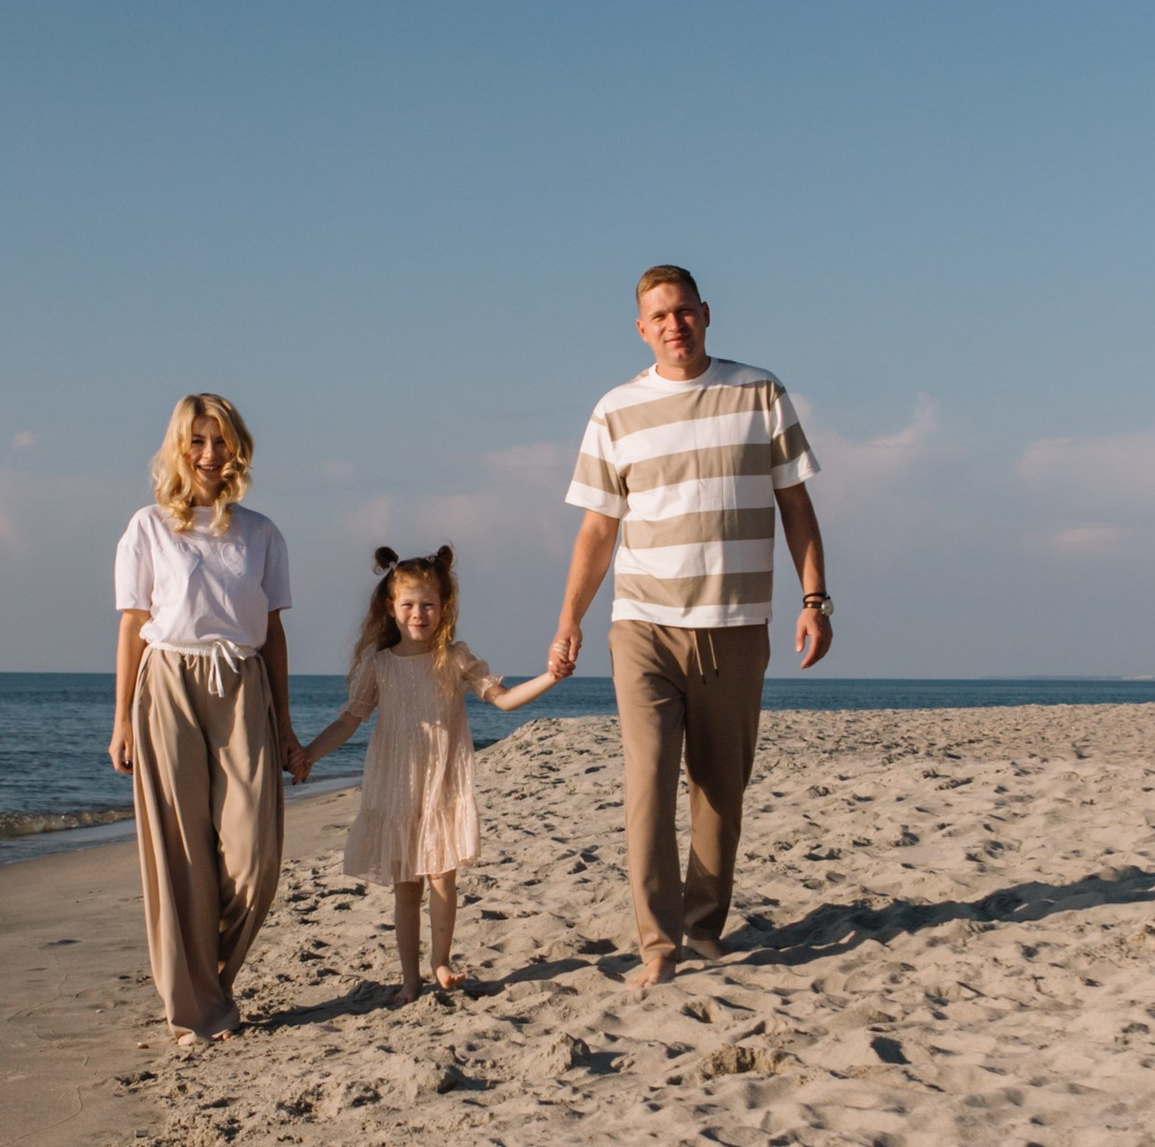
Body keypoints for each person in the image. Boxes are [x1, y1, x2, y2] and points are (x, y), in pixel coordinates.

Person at [547, 266, 831, 987]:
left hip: (736, 623)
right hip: (643, 623)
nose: (674, 325)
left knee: (720, 788)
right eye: (659, 317)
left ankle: (703, 927)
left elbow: (795, 505)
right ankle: (657, 945)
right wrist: (569, 619)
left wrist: (815, 599)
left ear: (706, 315)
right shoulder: (615, 409)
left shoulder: (759, 391)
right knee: (646, 783)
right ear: (641, 329)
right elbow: (596, 530)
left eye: (684, 312)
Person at [109, 393, 301, 1047]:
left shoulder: (261, 532)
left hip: (243, 684)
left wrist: (285, 721)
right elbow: (133, 626)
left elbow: (272, 631)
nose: (210, 454)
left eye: (220, 441)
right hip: (166, 684)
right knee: (181, 854)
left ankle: (208, 977)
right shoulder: (148, 527)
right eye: (197, 441)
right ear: (177, 448)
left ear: (237, 448)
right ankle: (196, 1007)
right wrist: (121, 721)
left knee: (256, 855)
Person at [294, 545, 555, 1001]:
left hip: (442, 787)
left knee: (443, 879)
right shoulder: (379, 665)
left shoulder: (453, 657)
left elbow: (504, 699)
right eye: (409, 605)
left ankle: (440, 963)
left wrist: (552, 676)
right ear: (390, 608)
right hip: (396, 789)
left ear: (444, 607)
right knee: (406, 889)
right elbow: (348, 720)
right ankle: (409, 979)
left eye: (428, 604)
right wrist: (309, 754)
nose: (419, 613)